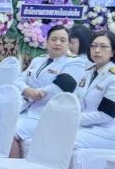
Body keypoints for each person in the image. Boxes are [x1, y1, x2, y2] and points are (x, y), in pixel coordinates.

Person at [12, 26, 89, 157]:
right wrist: (27, 90)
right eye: (53, 39)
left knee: (10, 131)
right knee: (0, 124)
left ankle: (13, 166)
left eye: (63, 40)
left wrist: (36, 93)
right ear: (47, 42)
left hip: (49, 115)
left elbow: (59, 89)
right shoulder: (38, 60)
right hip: (26, 111)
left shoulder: (75, 63)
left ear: (68, 43)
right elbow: (17, 81)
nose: (57, 43)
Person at [74, 31, 115, 149]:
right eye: (93, 46)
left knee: (63, 140)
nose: (97, 50)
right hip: (84, 127)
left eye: (103, 46)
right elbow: (76, 100)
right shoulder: (87, 72)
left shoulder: (113, 77)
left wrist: (74, 118)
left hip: (107, 131)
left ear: (112, 52)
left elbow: (106, 115)